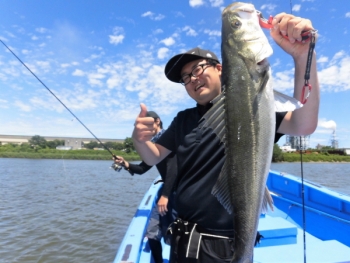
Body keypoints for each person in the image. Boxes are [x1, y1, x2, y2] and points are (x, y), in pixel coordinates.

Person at [132, 13, 320, 263]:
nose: (192, 79)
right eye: (185, 78)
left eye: (197, 69)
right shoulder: (183, 119)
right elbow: (154, 155)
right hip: (182, 242)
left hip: (226, 247)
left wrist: (303, 56)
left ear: (220, 68)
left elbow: (303, 124)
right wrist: (140, 140)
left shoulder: (253, 105)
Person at [114, 111, 177, 263]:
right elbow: (143, 168)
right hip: (167, 191)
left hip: (177, 193)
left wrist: (166, 195)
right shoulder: (153, 144)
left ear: (157, 121)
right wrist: (125, 164)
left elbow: (174, 169)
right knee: (152, 233)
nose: (144, 128)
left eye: (148, 123)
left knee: (177, 236)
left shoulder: (169, 138)